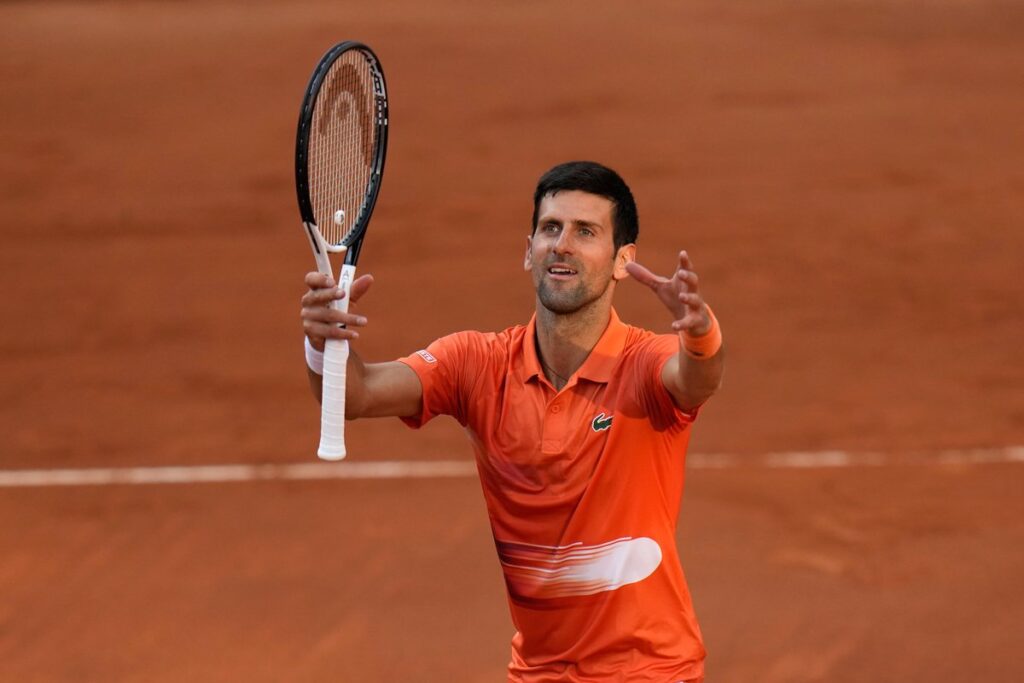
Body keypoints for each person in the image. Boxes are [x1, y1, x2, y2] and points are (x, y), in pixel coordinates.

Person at [300, 161, 725, 683]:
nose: (562, 245)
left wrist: (700, 335)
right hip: (537, 673)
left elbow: (695, 381)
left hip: (648, 670)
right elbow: (356, 395)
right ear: (528, 250)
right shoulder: (475, 364)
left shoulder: (643, 363)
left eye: (585, 232)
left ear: (622, 261)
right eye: (551, 228)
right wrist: (321, 343)